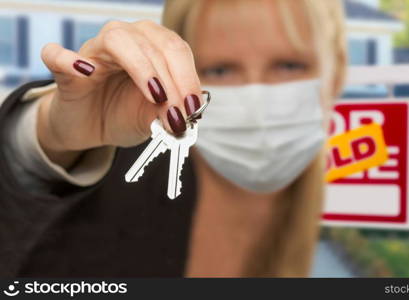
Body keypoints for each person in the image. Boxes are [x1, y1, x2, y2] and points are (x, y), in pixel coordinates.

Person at [0, 0, 346, 277]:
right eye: (220, 69)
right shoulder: (114, 184)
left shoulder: (359, 251)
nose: (255, 97)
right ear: (178, 72)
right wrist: (45, 138)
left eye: (288, 65)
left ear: (338, 74)